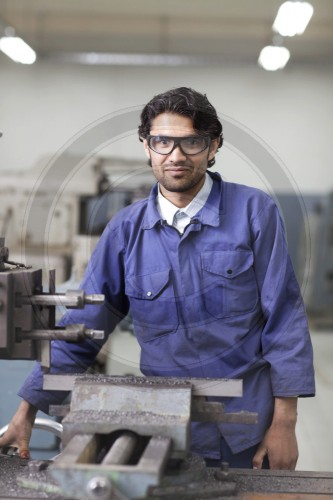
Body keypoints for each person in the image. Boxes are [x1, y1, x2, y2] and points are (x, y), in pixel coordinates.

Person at [0, 87, 315, 469]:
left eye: (192, 142)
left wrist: (285, 423)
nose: (176, 156)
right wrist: (27, 410)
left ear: (213, 146)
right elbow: (83, 327)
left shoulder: (254, 213)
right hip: (164, 428)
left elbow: (284, 319)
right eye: (162, 141)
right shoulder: (125, 231)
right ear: (146, 146)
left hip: (247, 427)